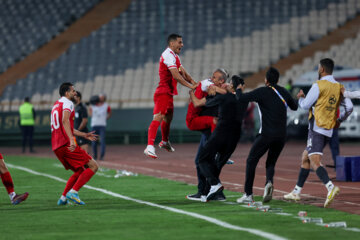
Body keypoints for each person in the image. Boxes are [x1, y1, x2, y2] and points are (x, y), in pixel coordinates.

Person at [284, 58, 353, 208]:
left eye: (318, 67)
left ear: (321, 69)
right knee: (305, 158)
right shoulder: (339, 86)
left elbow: (305, 105)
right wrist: (340, 119)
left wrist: (301, 98)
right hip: (329, 129)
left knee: (314, 161)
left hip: (316, 127)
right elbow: (349, 108)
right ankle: (296, 191)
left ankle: (330, 187)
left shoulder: (318, 85)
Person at [236, 67, 298, 204]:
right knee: (270, 162)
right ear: (278, 80)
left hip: (266, 134)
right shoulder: (283, 91)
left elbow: (241, 98)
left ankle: (248, 194)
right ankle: (268, 182)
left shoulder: (262, 91)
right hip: (281, 136)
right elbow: (294, 107)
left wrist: (239, 88)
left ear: (266, 80)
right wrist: (297, 98)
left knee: (251, 160)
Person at [190, 75, 248, 202]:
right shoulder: (244, 100)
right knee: (217, 166)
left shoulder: (224, 97)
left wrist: (192, 93)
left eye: (228, 83)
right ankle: (208, 193)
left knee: (202, 160)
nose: (225, 84)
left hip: (221, 133)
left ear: (231, 85)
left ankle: (214, 185)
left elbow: (197, 103)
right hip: (235, 137)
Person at [144, 33, 197, 159]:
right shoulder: (168, 55)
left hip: (169, 93)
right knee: (159, 117)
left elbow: (183, 72)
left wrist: (194, 83)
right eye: (180, 42)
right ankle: (149, 146)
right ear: (172, 43)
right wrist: (191, 87)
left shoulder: (175, 56)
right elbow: (176, 76)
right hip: (162, 92)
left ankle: (165, 142)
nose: (182, 45)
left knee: (168, 119)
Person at [51, 82, 99, 205]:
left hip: (57, 147)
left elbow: (65, 125)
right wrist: (72, 140)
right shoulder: (68, 103)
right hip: (66, 144)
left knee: (79, 171)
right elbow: (65, 121)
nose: (75, 93)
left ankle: (63, 199)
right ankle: (73, 192)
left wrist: (84, 134)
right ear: (67, 93)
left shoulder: (56, 105)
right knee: (93, 166)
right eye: (73, 91)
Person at [185, 69, 228, 201]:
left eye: (214, 78)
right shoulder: (212, 89)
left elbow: (224, 91)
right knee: (207, 162)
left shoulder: (212, 88)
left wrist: (192, 92)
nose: (211, 78)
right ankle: (214, 192)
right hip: (208, 129)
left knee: (201, 161)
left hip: (210, 131)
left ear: (221, 80)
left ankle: (205, 191)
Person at [89, 94, 111, 160]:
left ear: (104, 99)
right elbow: (90, 113)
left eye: (102, 98)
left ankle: (102, 156)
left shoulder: (106, 105)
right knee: (94, 142)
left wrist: (106, 118)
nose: (100, 99)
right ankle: (95, 155)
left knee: (102, 141)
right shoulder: (93, 105)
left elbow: (110, 113)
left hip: (102, 125)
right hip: (94, 125)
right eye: (100, 97)